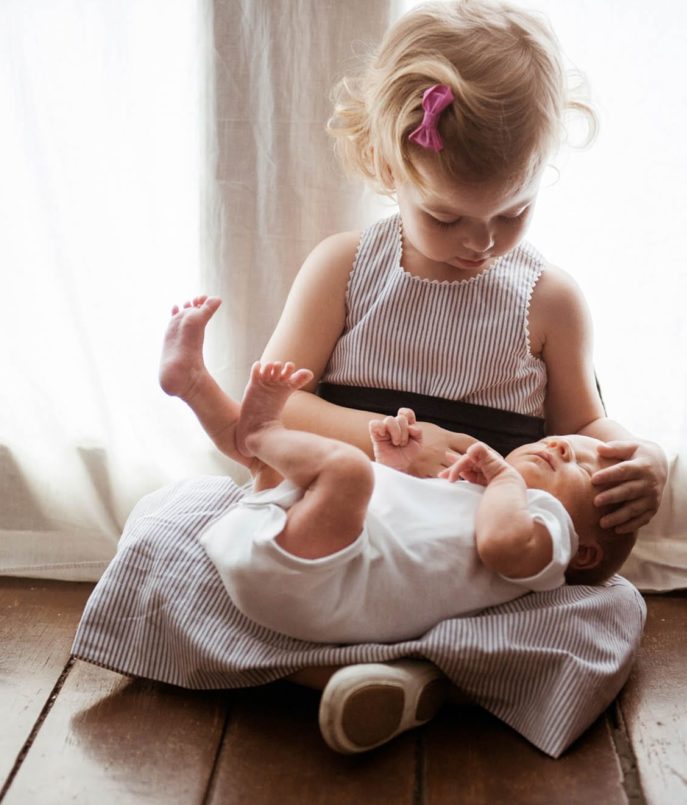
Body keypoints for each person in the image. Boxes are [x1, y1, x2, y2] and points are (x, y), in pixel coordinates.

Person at [72, 0, 663, 758]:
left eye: (511, 212)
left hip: (467, 564)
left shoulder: (547, 299)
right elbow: (275, 412)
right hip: (342, 530)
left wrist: (638, 458)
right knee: (169, 525)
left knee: (607, 610)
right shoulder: (345, 269)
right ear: (389, 168)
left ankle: (353, 673)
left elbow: (583, 427)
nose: (480, 243)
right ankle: (410, 676)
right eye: (447, 217)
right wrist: (406, 450)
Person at [161, 295, 636, 655]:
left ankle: (262, 428)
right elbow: (405, 518)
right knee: (272, 469)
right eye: (568, 443)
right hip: (307, 555)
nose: (560, 445)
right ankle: (195, 384)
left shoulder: (549, 536)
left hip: (317, 582)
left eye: (582, 465)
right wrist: (397, 467)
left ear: (587, 550)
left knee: (345, 471)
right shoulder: (478, 493)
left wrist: (508, 480)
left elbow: (499, 545)